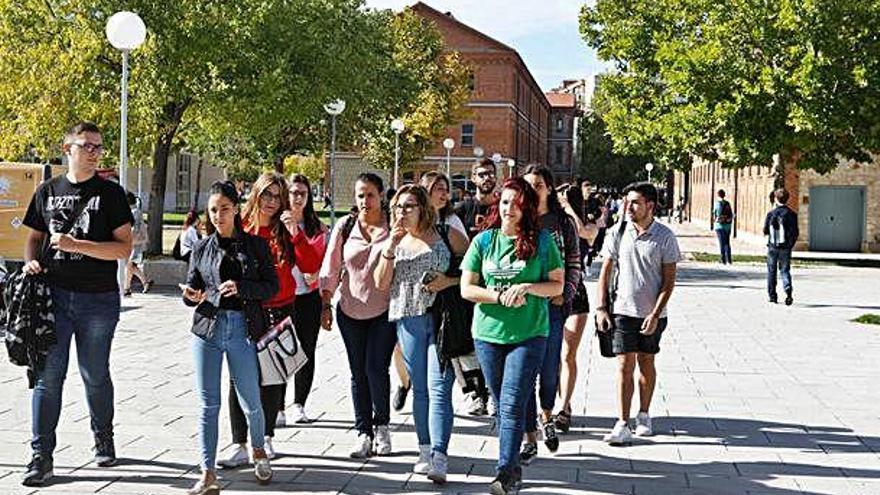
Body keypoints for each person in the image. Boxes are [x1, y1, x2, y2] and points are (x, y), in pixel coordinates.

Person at [21, 121, 134, 486]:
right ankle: (41, 455)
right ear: (67, 148)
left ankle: (103, 435)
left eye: (98, 147)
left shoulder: (112, 194)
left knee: (94, 373)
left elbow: (123, 248)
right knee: (47, 377)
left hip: (98, 299)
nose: (94, 152)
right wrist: (30, 261)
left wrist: (77, 246)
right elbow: (34, 237)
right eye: (86, 145)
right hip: (52, 298)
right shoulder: (47, 190)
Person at [461, 177, 564, 495]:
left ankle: (506, 472)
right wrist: (498, 295)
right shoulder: (483, 241)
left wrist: (527, 288)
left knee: (511, 402)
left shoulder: (542, 241)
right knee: (502, 403)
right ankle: (514, 466)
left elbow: (557, 286)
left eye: (517, 203)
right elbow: (467, 288)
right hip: (488, 334)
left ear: (527, 207)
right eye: (505, 202)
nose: (510, 208)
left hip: (529, 334)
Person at [218, 172, 322, 468]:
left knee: (271, 377)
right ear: (256, 194)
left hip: (279, 310)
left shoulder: (285, 230)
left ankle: (265, 438)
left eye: (278, 196)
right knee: (239, 378)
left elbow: (311, 266)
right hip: (244, 310)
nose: (272, 202)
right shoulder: (243, 229)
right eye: (267, 194)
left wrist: (297, 235)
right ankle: (239, 443)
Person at [182, 181, 277, 494]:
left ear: (236, 209)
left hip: (242, 327)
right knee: (208, 404)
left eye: (224, 208)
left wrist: (242, 288)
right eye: (213, 210)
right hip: (207, 328)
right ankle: (208, 473)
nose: (218, 215)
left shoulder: (256, 246)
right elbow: (192, 286)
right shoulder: (201, 247)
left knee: (250, 399)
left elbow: (271, 287)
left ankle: (259, 450)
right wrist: (192, 296)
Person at [374, 184, 457, 483]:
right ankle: (424, 449)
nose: (402, 212)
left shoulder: (446, 235)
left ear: (423, 207)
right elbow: (382, 284)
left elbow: (472, 270)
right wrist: (390, 248)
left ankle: (439, 455)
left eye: (409, 206)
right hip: (408, 320)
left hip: (441, 320)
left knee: (439, 388)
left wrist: (447, 281)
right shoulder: (394, 241)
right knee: (420, 387)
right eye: (397, 207)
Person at [596, 182, 682, 446]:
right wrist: (601, 308)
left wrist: (655, 314)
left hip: (652, 313)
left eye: (635, 202)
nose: (628, 207)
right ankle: (622, 423)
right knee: (624, 365)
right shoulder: (617, 232)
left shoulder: (665, 236)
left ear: (650, 206)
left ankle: (643, 414)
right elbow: (605, 272)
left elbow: (668, 282)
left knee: (646, 361)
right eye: (627, 202)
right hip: (622, 311)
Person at [319, 173, 396, 459]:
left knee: (376, 369)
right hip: (349, 311)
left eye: (370, 195)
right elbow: (331, 265)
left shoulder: (392, 227)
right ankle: (363, 431)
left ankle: (383, 427)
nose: (365, 201)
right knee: (357, 373)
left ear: (381, 196)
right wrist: (325, 303)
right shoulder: (345, 225)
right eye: (360, 195)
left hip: (383, 311)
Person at [519, 165, 580, 463]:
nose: (534, 190)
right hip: (523, 305)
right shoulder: (519, 219)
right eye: (528, 185)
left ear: (549, 189)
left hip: (552, 305)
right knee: (523, 369)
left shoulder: (562, 222)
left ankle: (547, 416)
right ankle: (529, 434)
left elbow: (574, 262)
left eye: (539, 185)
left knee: (548, 365)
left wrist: (564, 296)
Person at [275, 174, 329, 426]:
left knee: (306, 351)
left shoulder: (316, 227)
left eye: (302, 194)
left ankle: (298, 404)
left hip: (308, 298)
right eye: (293, 192)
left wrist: (297, 233)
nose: (297, 198)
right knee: (280, 352)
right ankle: (277, 406)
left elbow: (316, 259)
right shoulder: (276, 222)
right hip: (282, 298)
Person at [453, 158, 499, 416]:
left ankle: (492, 392)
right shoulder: (462, 210)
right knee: (463, 343)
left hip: (493, 287)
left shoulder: (503, 208)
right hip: (467, 285)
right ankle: (474, 394)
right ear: (473, 179)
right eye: (481, 174)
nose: (486, 178)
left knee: (489, 342)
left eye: (491, 174)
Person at [554, 183, 598, 433]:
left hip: (576, 294)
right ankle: (552, 402)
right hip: (551, 291)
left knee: (568, 353)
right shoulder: (555, 224)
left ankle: (565, 407)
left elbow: (583, 232)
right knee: (553, 356)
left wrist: (568, 206)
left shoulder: (589, 223)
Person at [763, 188, 799, 305]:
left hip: (773, 246)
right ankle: (788, 289)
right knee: (784, 270)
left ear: (776, 199)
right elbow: (795, 232)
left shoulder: (771, 214)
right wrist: (790, 244)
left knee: (771, 271)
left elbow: (765, 230)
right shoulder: (792, 214)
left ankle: (772, 295)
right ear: (787, 199)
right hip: (785, 247)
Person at [124, 192, 153, 296]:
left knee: (129, 265)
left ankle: (129, 288)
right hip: (136, 242)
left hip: (134, 242)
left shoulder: (133, 212)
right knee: (130, 266)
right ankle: (129, 287)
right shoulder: (136, 211)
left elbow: (134, 228)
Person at [713, 189, 734, 264]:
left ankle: (723, 259)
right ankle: (729, 259)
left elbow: (714, 214)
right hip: (728, 226)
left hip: (719, 226)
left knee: (721, 243)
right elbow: (731, 213)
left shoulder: (717, 204)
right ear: (724, 195)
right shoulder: (727, 203)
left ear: (718, 195)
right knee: (727, 242)